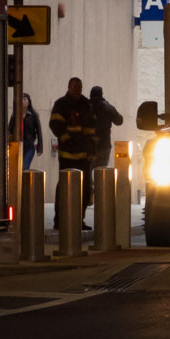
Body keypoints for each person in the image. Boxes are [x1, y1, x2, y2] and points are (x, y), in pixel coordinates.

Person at [49, 76, 97, 232]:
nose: (77, 90)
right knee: (64, 189)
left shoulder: (86, 105)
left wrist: (91, 149)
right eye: (75, 87)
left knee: (85, 191)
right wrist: (67, 139)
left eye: (80, 87)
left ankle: (79, 220)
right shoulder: (61, 104)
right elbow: (55, 124)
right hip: (68, 156)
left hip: (84, 156)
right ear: (68, 87)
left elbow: (93, 128)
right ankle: (59, 220)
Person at [10, 93, 42, 174]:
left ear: (29, 102)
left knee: (24, 167)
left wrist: (40, 147)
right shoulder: (15, 115)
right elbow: (9, 129)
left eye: (25, 99)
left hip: (29, 146)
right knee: (16, 168)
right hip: (17, 145)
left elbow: (39, 131)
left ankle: (24, 185)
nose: (23, 101)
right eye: (21, 99)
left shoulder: (33, 115)